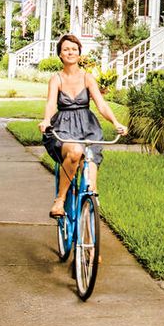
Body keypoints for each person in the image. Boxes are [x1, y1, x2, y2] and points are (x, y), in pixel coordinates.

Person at [39, 33, 127, 219]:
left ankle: (89, 221)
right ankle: (60, 200)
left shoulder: (87, 78)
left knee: (91, 177)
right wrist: (46, 120)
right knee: (75, 151)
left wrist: (116, 122)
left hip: (88, 127)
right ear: (60, 55)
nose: (70, 52)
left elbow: (101, 105)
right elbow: (50, 104)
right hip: (64, 127)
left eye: (73, 49)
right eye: (66, 49)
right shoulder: (56, 79)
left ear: (79, 53)